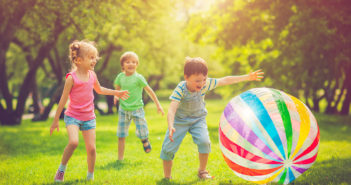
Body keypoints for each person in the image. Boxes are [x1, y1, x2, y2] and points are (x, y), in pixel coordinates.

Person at [160, 57, 264, 180]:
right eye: (197, 81)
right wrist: (171, 125)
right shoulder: (181, 89)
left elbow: (225, 80)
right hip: (179, 121)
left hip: (198, 119)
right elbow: (172, 109)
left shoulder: (206, 84)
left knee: (205, 142)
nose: (202, 83)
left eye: (204, 79)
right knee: (168, 148)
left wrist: (247, 77)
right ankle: (167, 178)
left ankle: (202, 171)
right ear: (186, 77)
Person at [50, 40, 129, 182]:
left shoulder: (92, 75)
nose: (95, 60)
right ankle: (61, 169)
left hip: (89, 117)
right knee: (73, 142)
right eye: (91, 57)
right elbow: (63, 99)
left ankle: (90, 176)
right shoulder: (71, 78)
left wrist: (116, 93)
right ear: (79, 60)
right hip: (72, 116)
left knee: (91, 149)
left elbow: (100, 89)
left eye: (95, 57)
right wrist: (56, 120)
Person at [113, 51, 164, 160]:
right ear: (122, 65)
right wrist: (116, 97)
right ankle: (120, 159)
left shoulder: (139, 78)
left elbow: (150, 91)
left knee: (143, 132)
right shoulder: (120, 77)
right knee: (121, 135)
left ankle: (144, 140)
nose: (131, 64)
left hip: (137, 109)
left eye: (134, 62)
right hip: (123, 110)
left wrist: (158, 105)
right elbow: (117, 90)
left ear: (137, 65)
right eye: (127, 62)